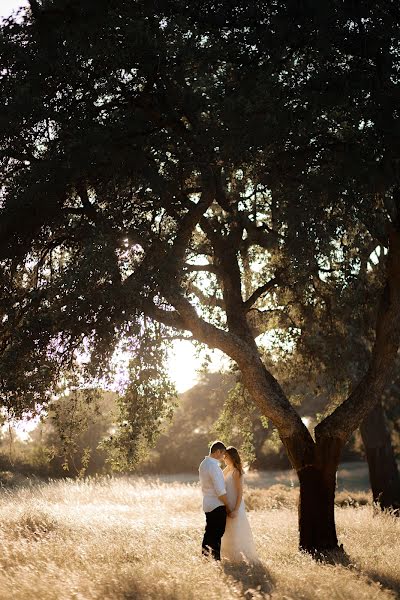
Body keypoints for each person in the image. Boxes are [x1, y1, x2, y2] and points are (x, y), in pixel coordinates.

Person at [221, 446, 259, 563]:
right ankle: (229, 557)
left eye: (226, 456)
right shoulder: (228, 469)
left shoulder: (237, 472)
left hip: (235, 505)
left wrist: (236, 509)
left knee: (237, 529)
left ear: (231, 457)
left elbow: (240, 492)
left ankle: (240, 557)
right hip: (227, 504)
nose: (223, 459)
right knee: (228, 530)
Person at [199, 440, 230, 560]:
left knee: (209, 533)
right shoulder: (214, 467)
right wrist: (227, 505)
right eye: (223, 454)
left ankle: (205, 558)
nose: (223, 457)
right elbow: (220, 491)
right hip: (217, 505)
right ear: (217, 452)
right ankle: (216, 560)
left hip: (207, 503)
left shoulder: (203, 464)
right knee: (217, 534)